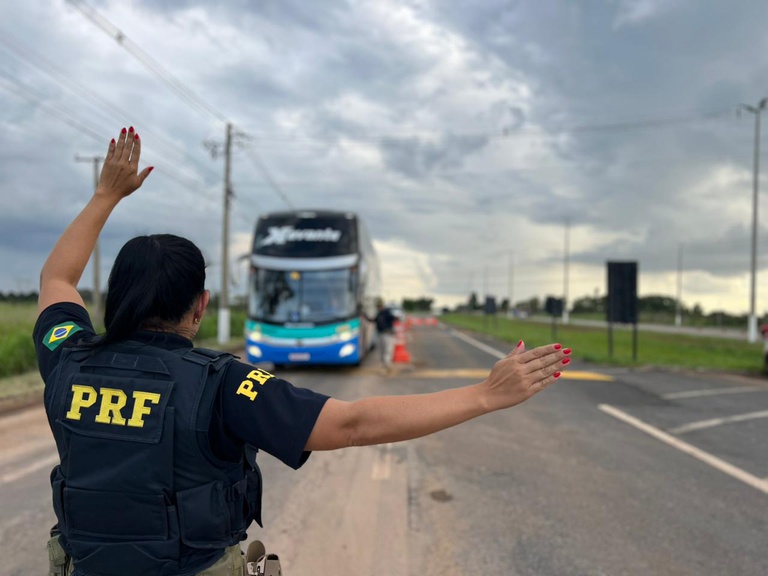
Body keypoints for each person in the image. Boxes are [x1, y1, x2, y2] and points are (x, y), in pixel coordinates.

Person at [34, 128, 573, 576]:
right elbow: (353, 424)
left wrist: (105, 194)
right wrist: (484, 394)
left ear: (115, 295)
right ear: (200, 306)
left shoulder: (67, 356)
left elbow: (57, 277)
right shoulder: (222, 384)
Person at [369, 300, 397, 372]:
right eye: (378, 306)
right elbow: (373, 320)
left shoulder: (387, 312)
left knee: (387, 350)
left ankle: (387, 366)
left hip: (388, 334)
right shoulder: (379, 314)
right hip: (381, 334)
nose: (379, 307)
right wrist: (365, 317)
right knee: (382, 351)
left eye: (380, 306)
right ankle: (385, 365)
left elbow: (394, 318)